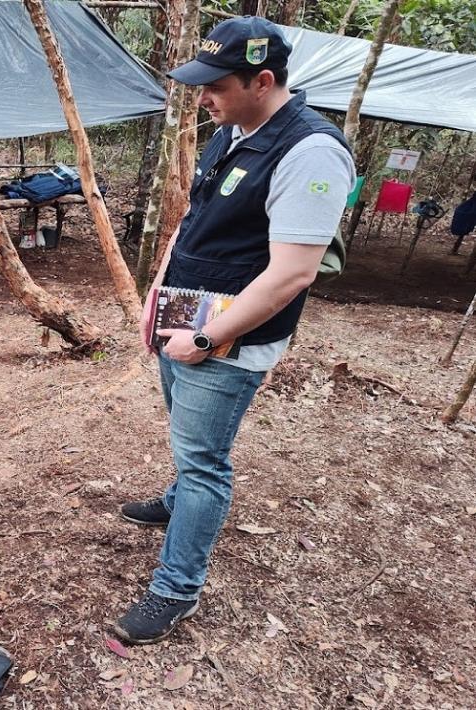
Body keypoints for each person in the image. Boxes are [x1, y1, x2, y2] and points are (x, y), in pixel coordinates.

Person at [114, 17, 356, 644]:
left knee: (204, 462)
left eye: (215, 86)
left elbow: (291, 274)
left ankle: (177, 589)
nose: (203, 98)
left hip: (227, 338)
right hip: (185, 314)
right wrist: (156, 295)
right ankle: (174, 502)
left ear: (263, 80)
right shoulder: (233, 130)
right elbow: (191, 222)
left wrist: (203, 338)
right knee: (186, 439)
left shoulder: (310, 152)